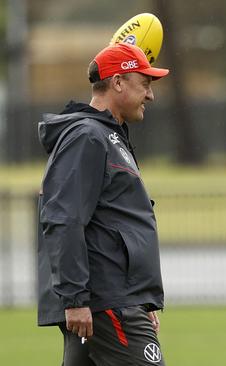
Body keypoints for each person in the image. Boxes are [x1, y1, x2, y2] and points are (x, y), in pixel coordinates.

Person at [37, 42, 170, 365]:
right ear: (118, 82)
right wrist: (75, 299)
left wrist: (140, 301)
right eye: (145, 84)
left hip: (111, 301)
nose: (150, 95)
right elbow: (63, 218)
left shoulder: (107, 135)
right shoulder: (88, 136)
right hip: (105, 303)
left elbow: (111, 221)